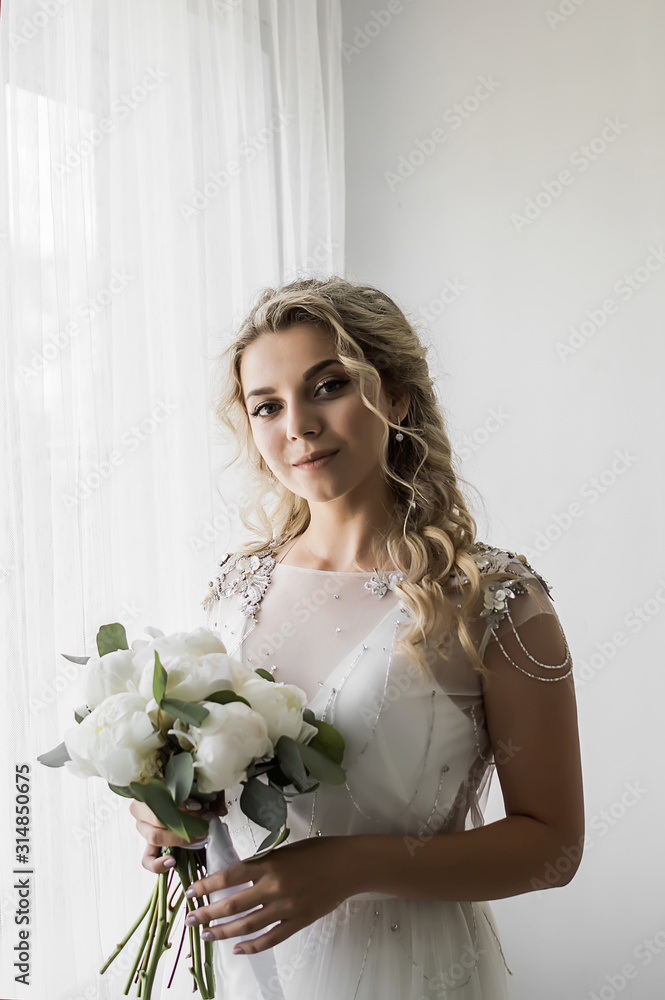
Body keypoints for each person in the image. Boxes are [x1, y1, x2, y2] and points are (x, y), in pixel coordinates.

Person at [130, 275, 584, 999]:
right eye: (267, 406)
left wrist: (351, 867)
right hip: (245, 964)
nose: (298, 427)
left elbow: (552, 847)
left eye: (329, 386)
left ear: (396, 395)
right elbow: (217, 781)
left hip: (413, 972)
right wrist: (171, 812)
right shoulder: (232, 590)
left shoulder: (492, 599)